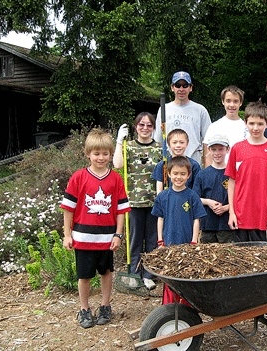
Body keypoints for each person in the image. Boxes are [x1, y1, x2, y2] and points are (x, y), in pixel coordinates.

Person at [61, 128, 130, 328]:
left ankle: (105, 305)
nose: (101, 158)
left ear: (110, 154)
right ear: (88, 154)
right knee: (84, 276)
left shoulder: (115, 179)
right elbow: (68, 209)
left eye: (105, 154)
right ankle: (84, 308)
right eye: (96, 153)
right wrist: (67, 234)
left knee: (106, 272)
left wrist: (118, 234)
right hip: (83, 237)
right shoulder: (78, 177)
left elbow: (120, 210)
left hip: (107, 238)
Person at [225, 101, 267, 242]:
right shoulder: (237, 148)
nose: (255, 128)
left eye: (260, 124)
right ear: (245, 123)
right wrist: (232, 212)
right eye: (252, 123)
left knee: (265, 259)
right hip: (241, 216)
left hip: (264, 217)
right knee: (241, 260)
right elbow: (232, 182)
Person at [112, 112, 162, 290]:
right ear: (136, 127)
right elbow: (117, 165)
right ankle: (134, 272)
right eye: (141, 125)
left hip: (154, 202)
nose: (145, 128)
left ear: (153, 128)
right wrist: (119, 141)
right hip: (133, 202)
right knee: (135, 239)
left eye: (149, 125)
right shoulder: (129, 147)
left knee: (152, 239)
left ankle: (149, 274)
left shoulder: (159, 149)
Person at [151, 156, 207, 304]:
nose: (178, 177)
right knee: (170, 275)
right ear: (169, 174)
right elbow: (160, 219)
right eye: (175, 173)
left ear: (188, 175)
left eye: (183, 174)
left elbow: (197, 219)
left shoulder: (192, 196)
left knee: (186, 274)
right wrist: (160, 240)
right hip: (169, 243)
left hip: (187, 243)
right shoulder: (163, 196)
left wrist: (194, 241)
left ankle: (186, 306)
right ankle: (169, 305)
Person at [153, 71, 211, 166]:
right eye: (178, 85)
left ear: (190, 88)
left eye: (185, 85)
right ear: (172, 87)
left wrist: (208, 166)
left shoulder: (200, 110)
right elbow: (158, 140)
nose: (181, 89)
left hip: (193, 164)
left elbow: (208, 141)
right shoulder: (163, 109)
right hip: (171, 165)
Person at [193, 134, 234, 243]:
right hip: (207, 225)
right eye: (214, 149)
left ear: (227, 149)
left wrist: (226, 208)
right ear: (209, 150)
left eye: (221, 149)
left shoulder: (233, 174)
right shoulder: (202, 174)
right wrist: (208, 202)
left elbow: (241, 198)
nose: (217, 153)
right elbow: (194, 198)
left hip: (227, 226)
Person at [203, 85, 248, 166]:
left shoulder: (247, 128)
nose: (231, 105)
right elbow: (208, 155)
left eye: (235, 101)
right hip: (219, 174)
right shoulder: (214, 126)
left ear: (240, 103)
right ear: (223, 101)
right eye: (228, 101)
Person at [152, 128, 201, 193]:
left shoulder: (194, 165)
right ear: (169, 144)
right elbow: (159, 190)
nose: (178, 145)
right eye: (174, 142)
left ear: (187, 143)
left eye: (181, 142)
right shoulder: (162, 165)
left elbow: (196, 189)